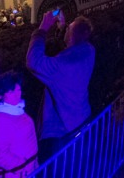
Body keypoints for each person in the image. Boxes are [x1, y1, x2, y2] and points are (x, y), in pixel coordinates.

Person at [26, 13, 95, 162]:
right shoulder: (89, 50)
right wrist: (62, 29)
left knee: (64, 169)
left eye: (68, 28)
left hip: (63, 133)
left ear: (72, 36)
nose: (66, 29)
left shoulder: (59, 67)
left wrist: (43, 28)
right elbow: (69, 52)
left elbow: (34, 61)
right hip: (83, 119)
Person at [0, 72, 37, 178]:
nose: (17, 94)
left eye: (18, 90)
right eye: (11, 91)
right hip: (11, 175)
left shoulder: (18, 111)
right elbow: (0, 155)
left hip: (27, 173)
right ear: (0, 95)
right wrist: (24, 168)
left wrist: (33, 167)